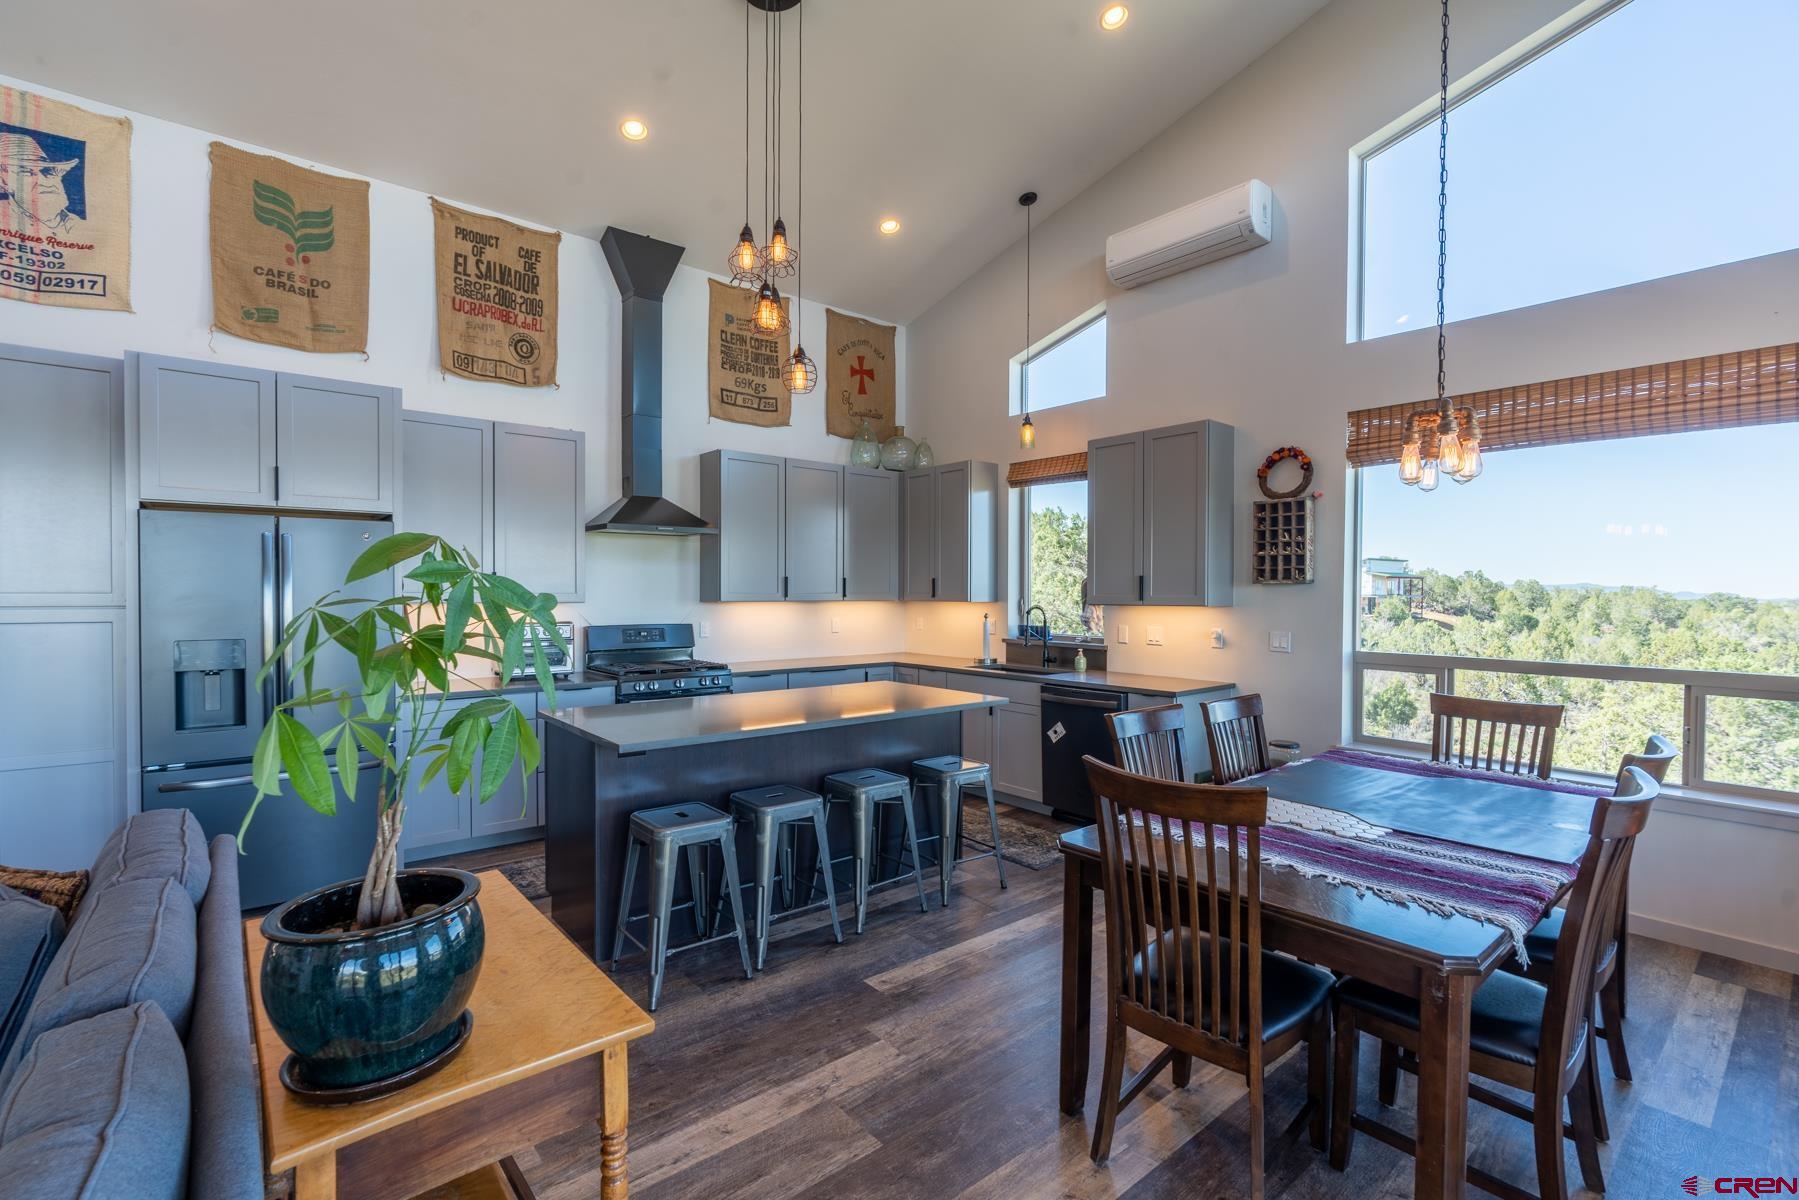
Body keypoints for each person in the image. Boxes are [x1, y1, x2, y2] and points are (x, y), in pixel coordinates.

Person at [0, 131, 81, 235]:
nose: (44, 180)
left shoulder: (82, 226)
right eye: (26, 172)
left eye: (48, 171)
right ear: (3, 181)